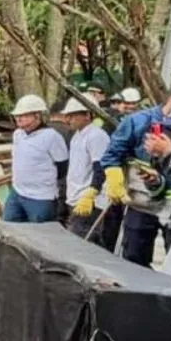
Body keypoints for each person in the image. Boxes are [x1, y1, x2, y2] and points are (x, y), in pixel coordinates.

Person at [84, 80, 171, 266]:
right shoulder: (138, 122)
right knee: (133, 258)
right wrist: (114, 178)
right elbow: (112, 154)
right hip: (141, 203)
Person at [2, 95, 69, 223]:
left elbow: (62, 165)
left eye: (24, 115)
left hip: (41, 196)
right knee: (10, 227)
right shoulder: (18, 135)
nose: (19, 119)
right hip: (18, 192)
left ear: (37, 115)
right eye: (17, 116)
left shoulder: (51, 136)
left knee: (41, 234)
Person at [59, 98, 111, 245]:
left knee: (81, 243)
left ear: (87, 115)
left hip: (89, 200)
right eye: (67, 116)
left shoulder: (96, 136)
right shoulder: (76, 136)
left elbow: (100, 168)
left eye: (73, 115)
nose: (68, 119)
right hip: (75, 197)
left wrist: (92, 193)